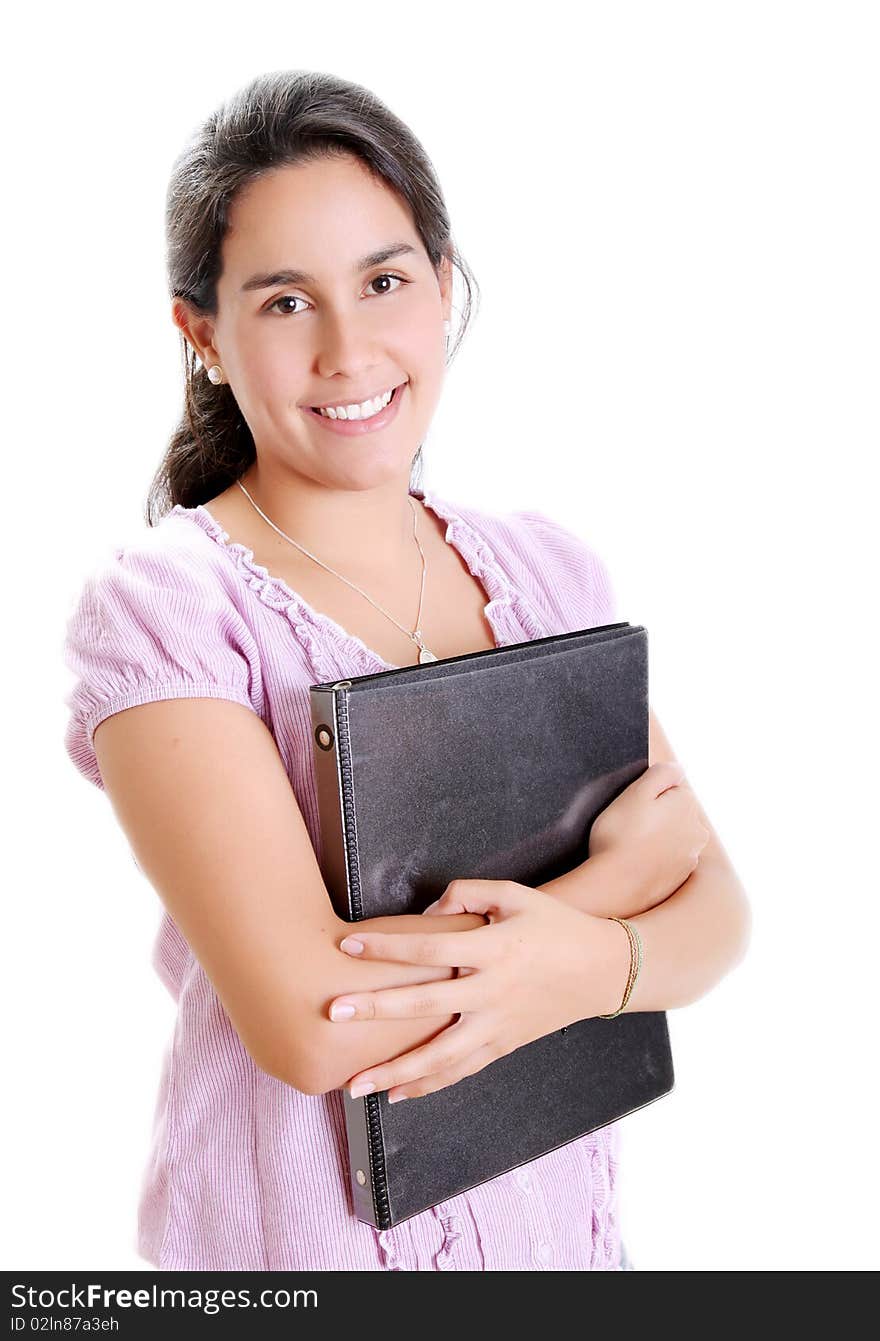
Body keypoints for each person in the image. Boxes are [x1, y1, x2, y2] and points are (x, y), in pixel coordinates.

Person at [61, 70, 751, 1272]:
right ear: (204, 337)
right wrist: (603, 913)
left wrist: (606, 938)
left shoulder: (544, 573)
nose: (346, 349)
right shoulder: (170, 609)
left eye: (384, 280)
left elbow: (718, 914)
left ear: (442, 285)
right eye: (284, 302)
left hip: (559, 1237)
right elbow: (315, 1027)